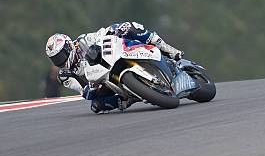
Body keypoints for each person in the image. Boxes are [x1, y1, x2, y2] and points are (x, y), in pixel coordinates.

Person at [45, 21, 183, 113]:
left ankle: (167, 49)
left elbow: (101, 35)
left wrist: (113, 31)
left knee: (128, 27)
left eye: (61, 56)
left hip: (114, 56)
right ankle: (129, 98)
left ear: (69, 47)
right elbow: (83, 91)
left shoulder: (83, 41)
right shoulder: (64, 76)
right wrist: (90, 89)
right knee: (96, 106)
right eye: (55, 59)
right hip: (101, 82)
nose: (60, 61)